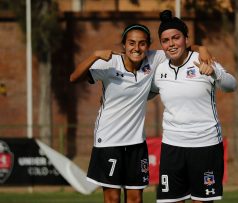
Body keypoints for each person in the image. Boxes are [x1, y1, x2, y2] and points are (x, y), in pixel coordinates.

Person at [70, 23, 213, 203]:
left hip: (137, 142)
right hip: (108, 141)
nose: (136, 48)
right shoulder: (110, 63)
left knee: (136, 199)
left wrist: (203, 49)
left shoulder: (154, 59)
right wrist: (95, 55)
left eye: (142, 43)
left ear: (148, 45)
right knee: (113, 198)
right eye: (131, 43)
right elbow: (74, 77)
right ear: (124, 45)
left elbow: (184, 47)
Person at [152, 10, 237, 203]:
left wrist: (214, 72)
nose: (171, 44)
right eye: (165, 40)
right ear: (161, 44)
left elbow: (232, 86)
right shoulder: (160, 68)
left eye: (176, 38)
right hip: (172, 147)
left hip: (205, 146)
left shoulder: (202, 60)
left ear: (186, 39)